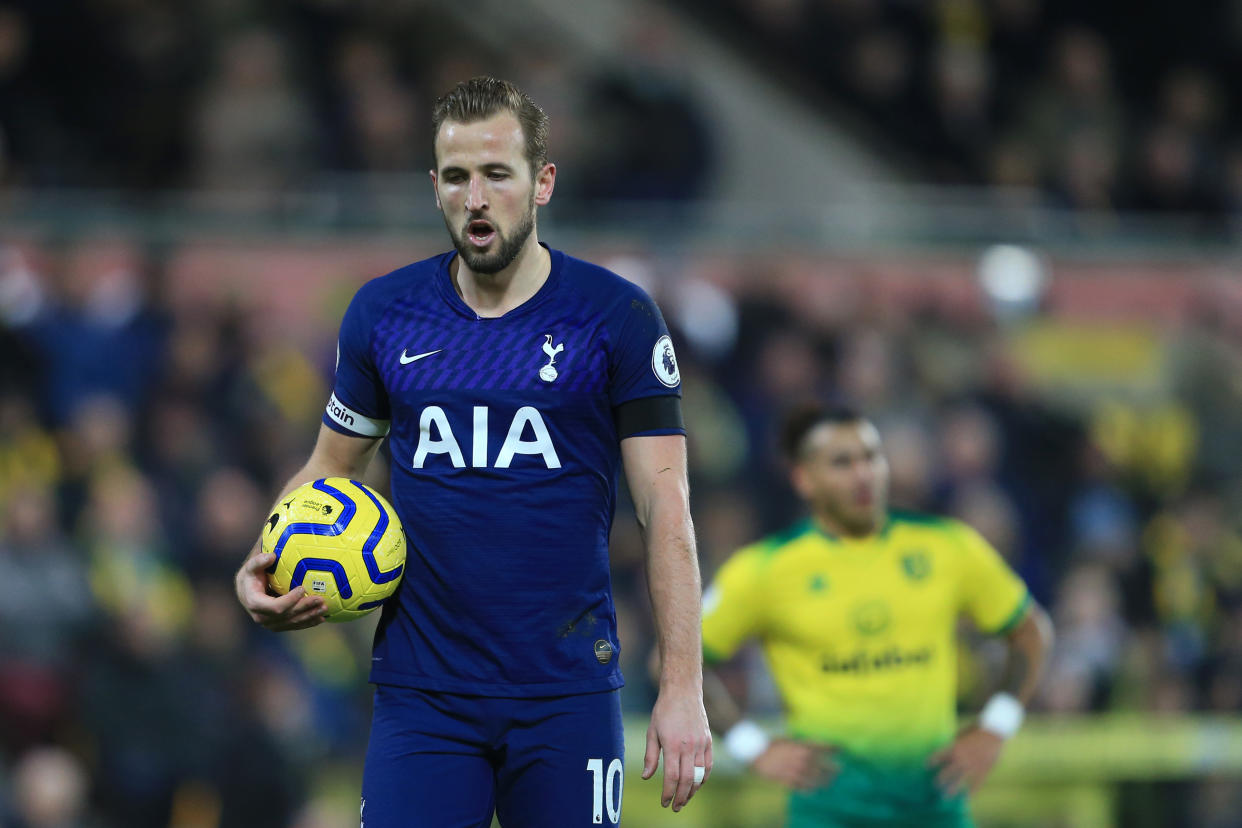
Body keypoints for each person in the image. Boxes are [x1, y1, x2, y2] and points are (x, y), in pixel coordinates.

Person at [233, 76, 711, 827]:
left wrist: (682, 685)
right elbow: (329, 467)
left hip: (567, 694)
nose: (476, 196)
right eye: (457, 176)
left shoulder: (615, 317)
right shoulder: (385, 314)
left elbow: (666, 505)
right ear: (435, 186)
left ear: (542, 181)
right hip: (424, 698)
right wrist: (259, 557)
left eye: (497, 173)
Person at [701, 403, 1053, 827]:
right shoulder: (764, 569)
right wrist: (750, 745)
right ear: (803, 478)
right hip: (829, 812)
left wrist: (996, 726)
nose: (863, 473)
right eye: (842, 463)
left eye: (872, 457)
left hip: (934, 808)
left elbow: (1030, 631)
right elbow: (674, 660)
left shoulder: (947, 546)